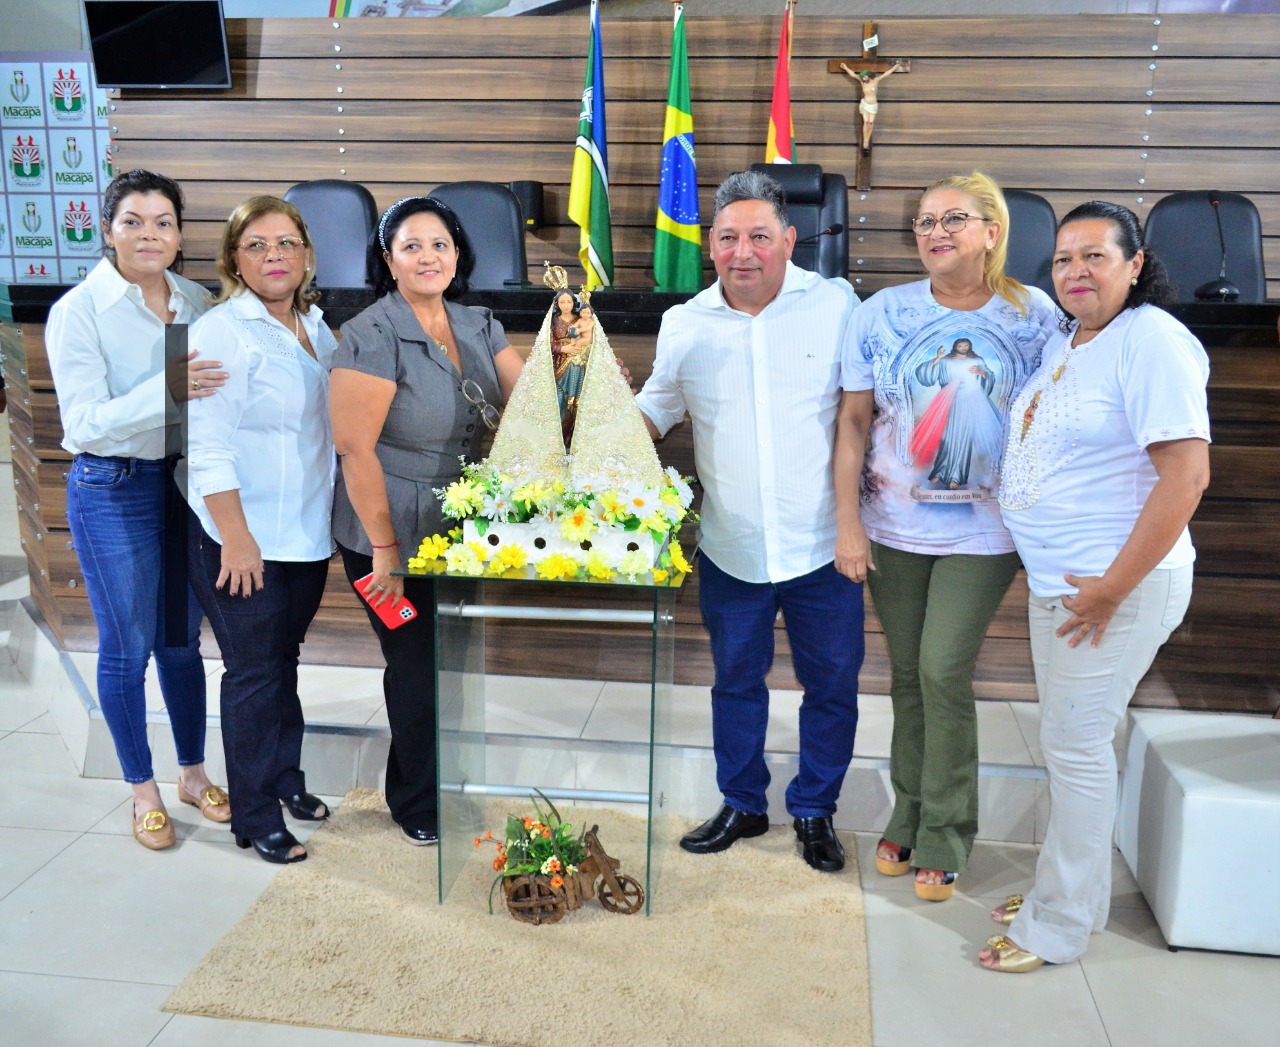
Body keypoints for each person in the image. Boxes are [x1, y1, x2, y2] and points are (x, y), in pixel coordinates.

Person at [981, 201, 1210, 972]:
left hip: (1116, 588)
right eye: (1063, 260)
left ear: (1135, 263)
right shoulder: (1071, 336)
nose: (1075, 271)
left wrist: (1113, 586)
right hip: (1071, 585)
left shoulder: (1153, 341)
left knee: (1075, 750)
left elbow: (1187, 475)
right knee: (1072, 744)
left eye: (1096, 257)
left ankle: (1059, 923)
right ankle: (1061, 890)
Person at [636, 169, 867, 873]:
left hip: (824, 546)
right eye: (730, 236)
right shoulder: (685, 323)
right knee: (735, 682)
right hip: (731, 547)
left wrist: (855, 525)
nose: (744, 251)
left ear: (789, 240)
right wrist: (598, 420)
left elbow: (859, 418)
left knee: (832, 686)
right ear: (711, 243)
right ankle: (742, 800)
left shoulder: (836, 305)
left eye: (760, 236)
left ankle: (815, 808)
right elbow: (654, 410)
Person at [835, 172, 1057, 901]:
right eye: (925, 221)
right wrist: (848, 522)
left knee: (940, 669)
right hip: (894, 526)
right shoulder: (881, 312)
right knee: (905, 674)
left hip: (986, 532)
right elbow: (856, 422)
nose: (934, 232)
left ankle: (948, 828)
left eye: (953, 219)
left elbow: (1057, 422)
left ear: (992, 231)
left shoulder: (1036, 317)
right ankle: (911, 806)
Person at [329, 196, 524, 847]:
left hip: (460, 521)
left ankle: (430, 777)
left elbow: (532, 403)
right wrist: (384, 548)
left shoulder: (479, 325)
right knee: (412, 658)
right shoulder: (369, 334)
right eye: (411, 245)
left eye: (439, 244)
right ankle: (415, 799)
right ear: (388, 259)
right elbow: (355, 449)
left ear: (458, 254)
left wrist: (597, 386)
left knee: (446, 657)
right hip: (382, 531)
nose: (427, 256)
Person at [45, 168, 229, 851]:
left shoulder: (196, 302)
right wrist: (168, 386)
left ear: (179, 234)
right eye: (133, 221)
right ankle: (143, 790)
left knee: (182, 644)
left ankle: (191, 772)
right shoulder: (80, 312)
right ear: (107, 230)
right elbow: (87, 424)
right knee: (127, 648)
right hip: (112, 488)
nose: (149, 234)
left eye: (163, 222)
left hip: (181, 488)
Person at [183, 196, 338, 864]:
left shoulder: (319, 328)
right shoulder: (222, 330)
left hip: (303, 532)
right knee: (252, 672)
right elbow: (207, 442)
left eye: (286, 242)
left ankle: (285, 781)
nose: (273, 255)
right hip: (239, 536)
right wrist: (235, 536)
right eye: (256, 245)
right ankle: (253, 814)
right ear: (235, 260)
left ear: (305, 255)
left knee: (283, 663)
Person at [840, 60, 903, 154]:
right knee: (866, 122)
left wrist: (894, 68)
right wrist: (845, 68)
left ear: (868, 75)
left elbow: (885, 74)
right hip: (865, 103)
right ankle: (865, 143)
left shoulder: (875, 81)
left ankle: (867, 139)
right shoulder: (862, 83)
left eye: (864, 77)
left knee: (871, 123)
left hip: (873, 105)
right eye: (862, 78)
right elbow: (853, 75)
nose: (863, 79)